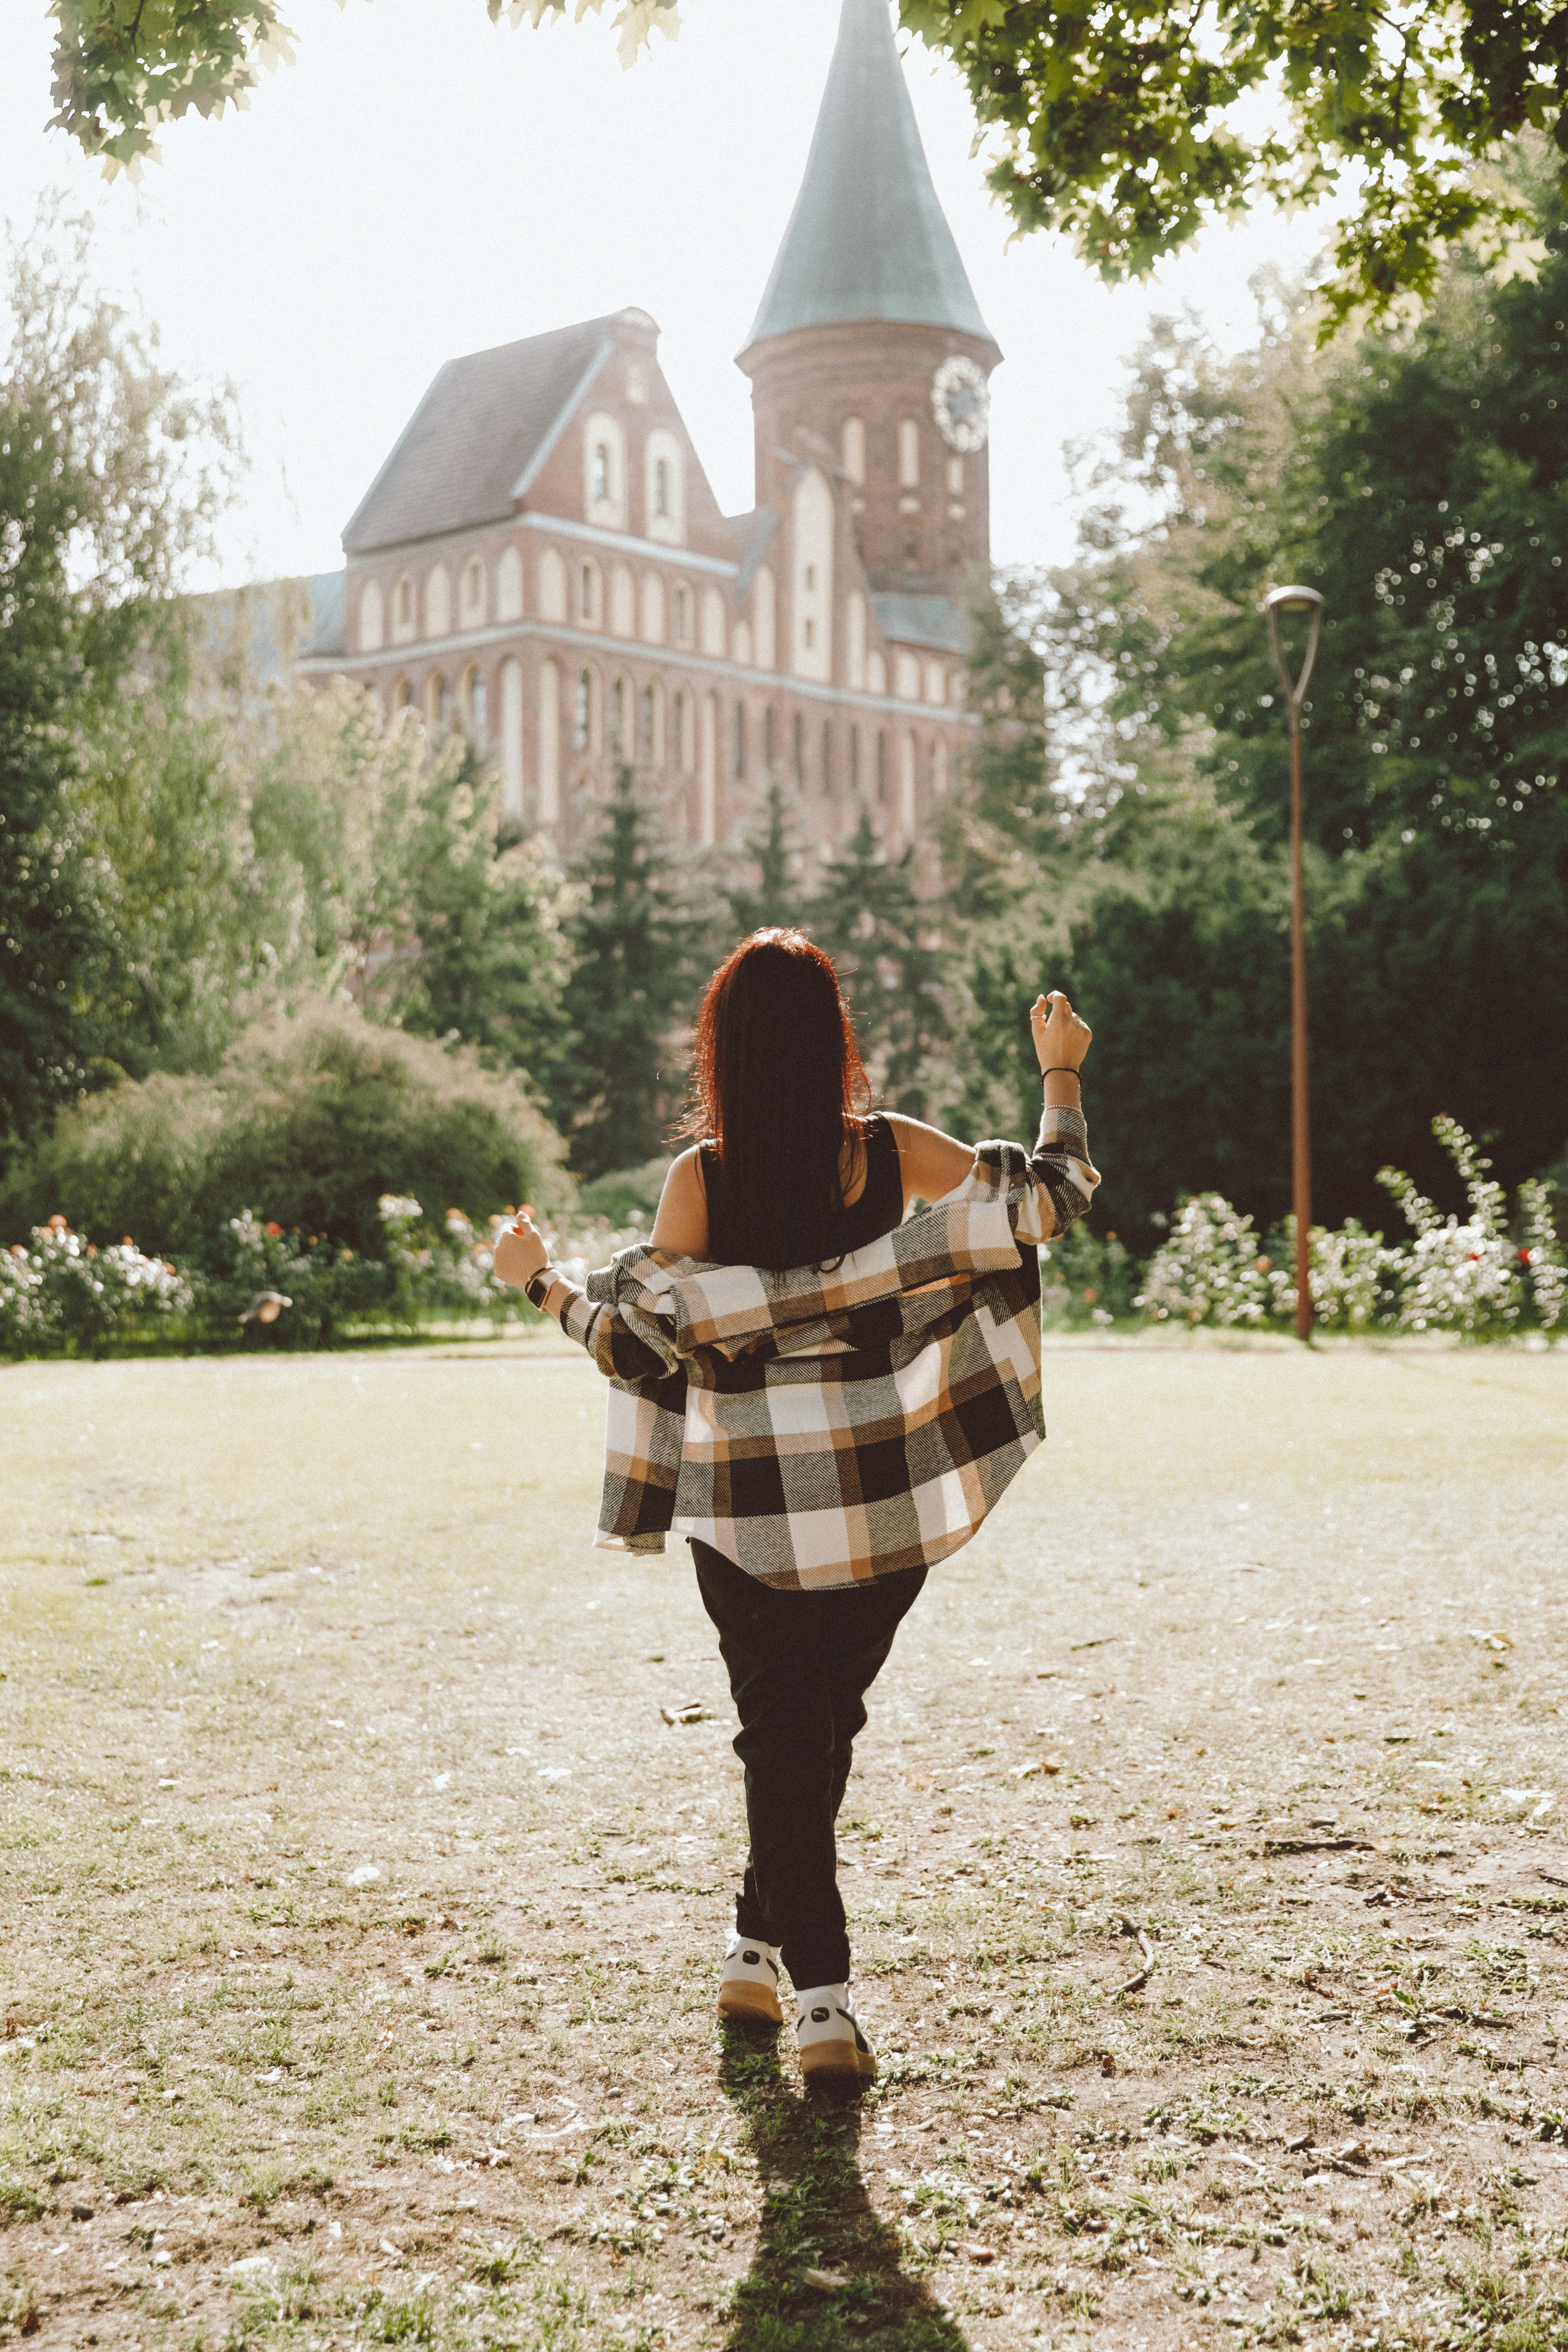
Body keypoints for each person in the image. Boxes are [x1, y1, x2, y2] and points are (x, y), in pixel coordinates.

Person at [495, 930, 1096, 2092]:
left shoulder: (699, 1182)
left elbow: (634, 1347)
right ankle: (765, 1957)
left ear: (721, 1050)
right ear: (834, 1043)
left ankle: (802, 1985)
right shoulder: (885, 1153)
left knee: (788, 1734)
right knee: (817, 1732)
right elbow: (1048, 1202)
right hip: (882, 1509)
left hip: (750, 1521)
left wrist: (540, 1278)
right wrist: (1059, 1071)